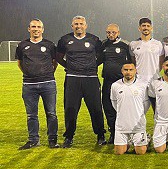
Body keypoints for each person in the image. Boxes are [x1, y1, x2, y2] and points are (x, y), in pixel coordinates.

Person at [56, 15, 106, 147]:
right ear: (72, 26)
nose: (79, 26)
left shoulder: (94, 40)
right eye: (76, 24)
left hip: (91, 79)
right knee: (70, 109)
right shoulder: (64, 40)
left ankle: (100, 135)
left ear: (86, 26)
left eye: (81, 24)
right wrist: (69, 66)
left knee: (96, 108)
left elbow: (101, 57)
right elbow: (58, 57)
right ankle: (69, 137)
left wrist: (91, 66)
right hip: (72, 78)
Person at [16, 19, 59, 149]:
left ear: (42, 29)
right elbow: (20, 63)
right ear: (29, 29)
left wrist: (47, 73)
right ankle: (33, 140)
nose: (36, 29)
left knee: (51, 113)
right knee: (31, 115)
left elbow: (55, 62)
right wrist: (29, 73)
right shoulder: (22, 45)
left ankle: (52, 140)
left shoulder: (50, 45)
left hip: (48, 84)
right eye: (33, 27)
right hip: (29, 85)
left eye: (39, 27)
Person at [101, 23, 132, 144]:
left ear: (118, 33)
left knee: (122, 108)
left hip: (121, 82)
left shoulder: (125, 45)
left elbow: (131, 62)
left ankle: (125, 132)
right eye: (108, 32)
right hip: (107, 82)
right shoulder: (104, 44)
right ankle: (113, 133)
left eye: (113, 32)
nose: (111, 34)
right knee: (108, 107)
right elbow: (97, 59)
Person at [110, 62, 149, 155]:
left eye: (131, 70)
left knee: (140, 152)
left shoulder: (142, 85)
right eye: (126, 70)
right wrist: (122, 112)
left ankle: (147, 139)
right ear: (122, 71)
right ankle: (129, 141)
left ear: (135, 71)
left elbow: (146, 104)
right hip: (121, 126)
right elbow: (114, 102)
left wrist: (139, 113)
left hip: (138, 126)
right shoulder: (115, 85)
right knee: (119, 152)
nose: (128, 72)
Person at [129, 18, 164, 88]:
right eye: (143, 26)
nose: (146, 28)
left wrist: (160, 75)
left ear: (151, 28)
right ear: (139, 28)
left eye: (148, 26)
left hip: (155, 79)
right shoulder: (133, 44)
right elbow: (133, 62)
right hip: (139, 80)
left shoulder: (158, 44)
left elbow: (162, 61)